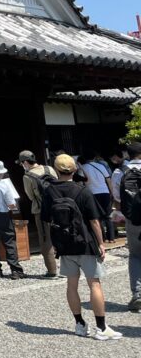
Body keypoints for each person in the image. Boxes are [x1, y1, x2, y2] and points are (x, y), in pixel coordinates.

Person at [42, 154, 122, 340]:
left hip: (64, 243)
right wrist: (101, 243)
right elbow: (94, 221)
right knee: (94, 282)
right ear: (74, 169)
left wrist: (54, 242)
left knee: (71, 284)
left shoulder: (49, 191)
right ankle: (101, 328)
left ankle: (79, 324)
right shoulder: (82, 190)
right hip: (85, 242)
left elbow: (47, 219)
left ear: (56, 169)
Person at [18, 150, 58, 277]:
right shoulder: (49, 169)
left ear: (25, 162)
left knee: (46, 239)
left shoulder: (28, 176)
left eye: (21, 163)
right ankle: (70, 267)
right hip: (57, 208)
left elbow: (30, 196)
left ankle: (52, 270)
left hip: (41, 210)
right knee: (61, 235)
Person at [112, 142, 141, 313]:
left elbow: (117, 196)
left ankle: (138, 294)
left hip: (133, 219)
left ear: (127, 155)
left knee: (136, 255)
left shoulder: (120, 172)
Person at [80, 153, 116, 241]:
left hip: (92, 193)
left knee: (96, 216)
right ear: (95, 157)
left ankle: (102, 238)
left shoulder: (82, 168)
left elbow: (81, 182)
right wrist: (112, 192)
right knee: (108, 215)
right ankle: (111, 238)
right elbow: (108, 180)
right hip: (105, 192)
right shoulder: (101, 166)